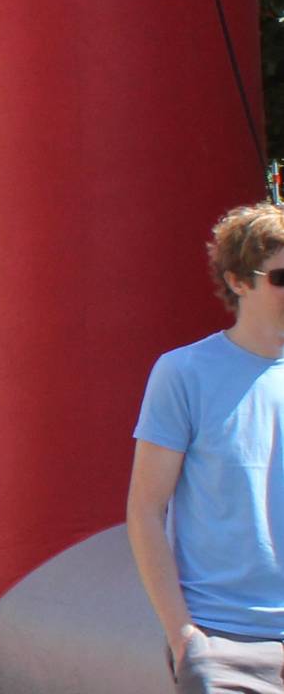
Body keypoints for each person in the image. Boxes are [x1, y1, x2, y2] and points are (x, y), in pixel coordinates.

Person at [131, 204, 284, 693]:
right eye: (281, 278)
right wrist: (185, 638)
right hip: (224, 645)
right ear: (238, 281)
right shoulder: (184, 373)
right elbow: (145, 510)